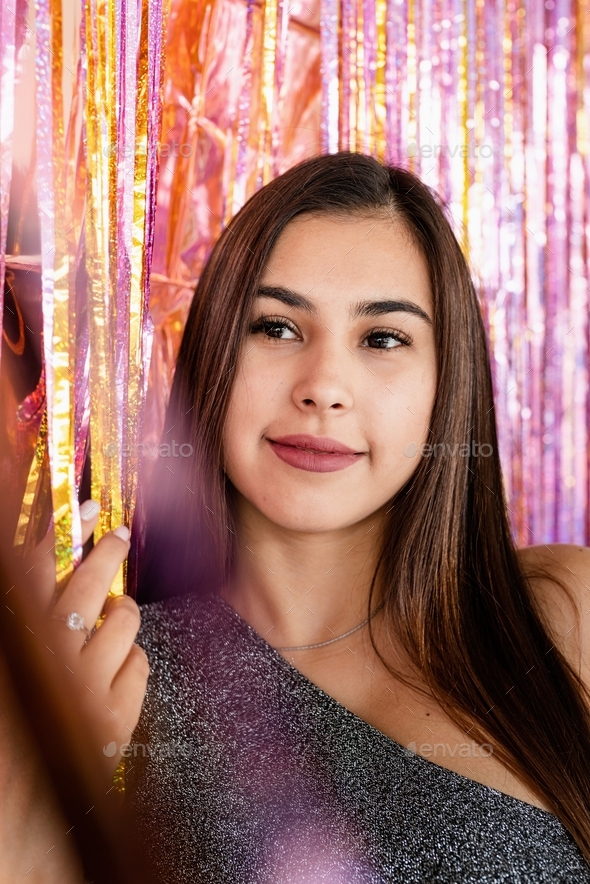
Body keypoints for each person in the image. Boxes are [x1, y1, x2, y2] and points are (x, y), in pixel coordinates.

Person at [20, 152, 590, 882]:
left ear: (447, 386)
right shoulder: (108, 679)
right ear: (215, 351)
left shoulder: (560, 620)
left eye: (383, 338)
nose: (323, 387)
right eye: (277, 328)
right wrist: (37, 804)